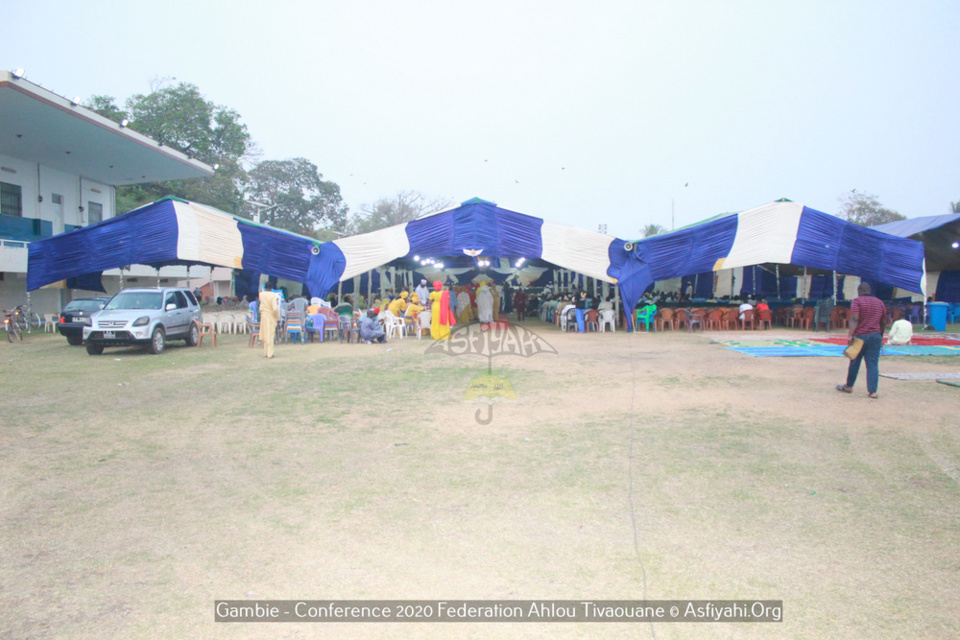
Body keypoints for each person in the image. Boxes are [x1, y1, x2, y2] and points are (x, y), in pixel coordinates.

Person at [837, 282, 886, 399]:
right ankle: (872, 391)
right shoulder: (880, 302)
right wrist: (881, 335)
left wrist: (850, 335)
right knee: (872, 364)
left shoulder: (857, 301)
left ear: (859, 291)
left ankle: (849, 386)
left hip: (860, 336)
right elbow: (883, 321)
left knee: (854, 362)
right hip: (875, 336)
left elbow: (854, 318)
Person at [258, 286, 280, 358]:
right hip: (270, 316)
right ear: (271, 288)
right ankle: (270, 353)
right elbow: (275, 308)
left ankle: (265, 352)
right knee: (270, 334)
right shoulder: (272, 295)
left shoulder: (261, 294)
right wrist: (277, 317)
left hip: (263, 316)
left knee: (265, 334)